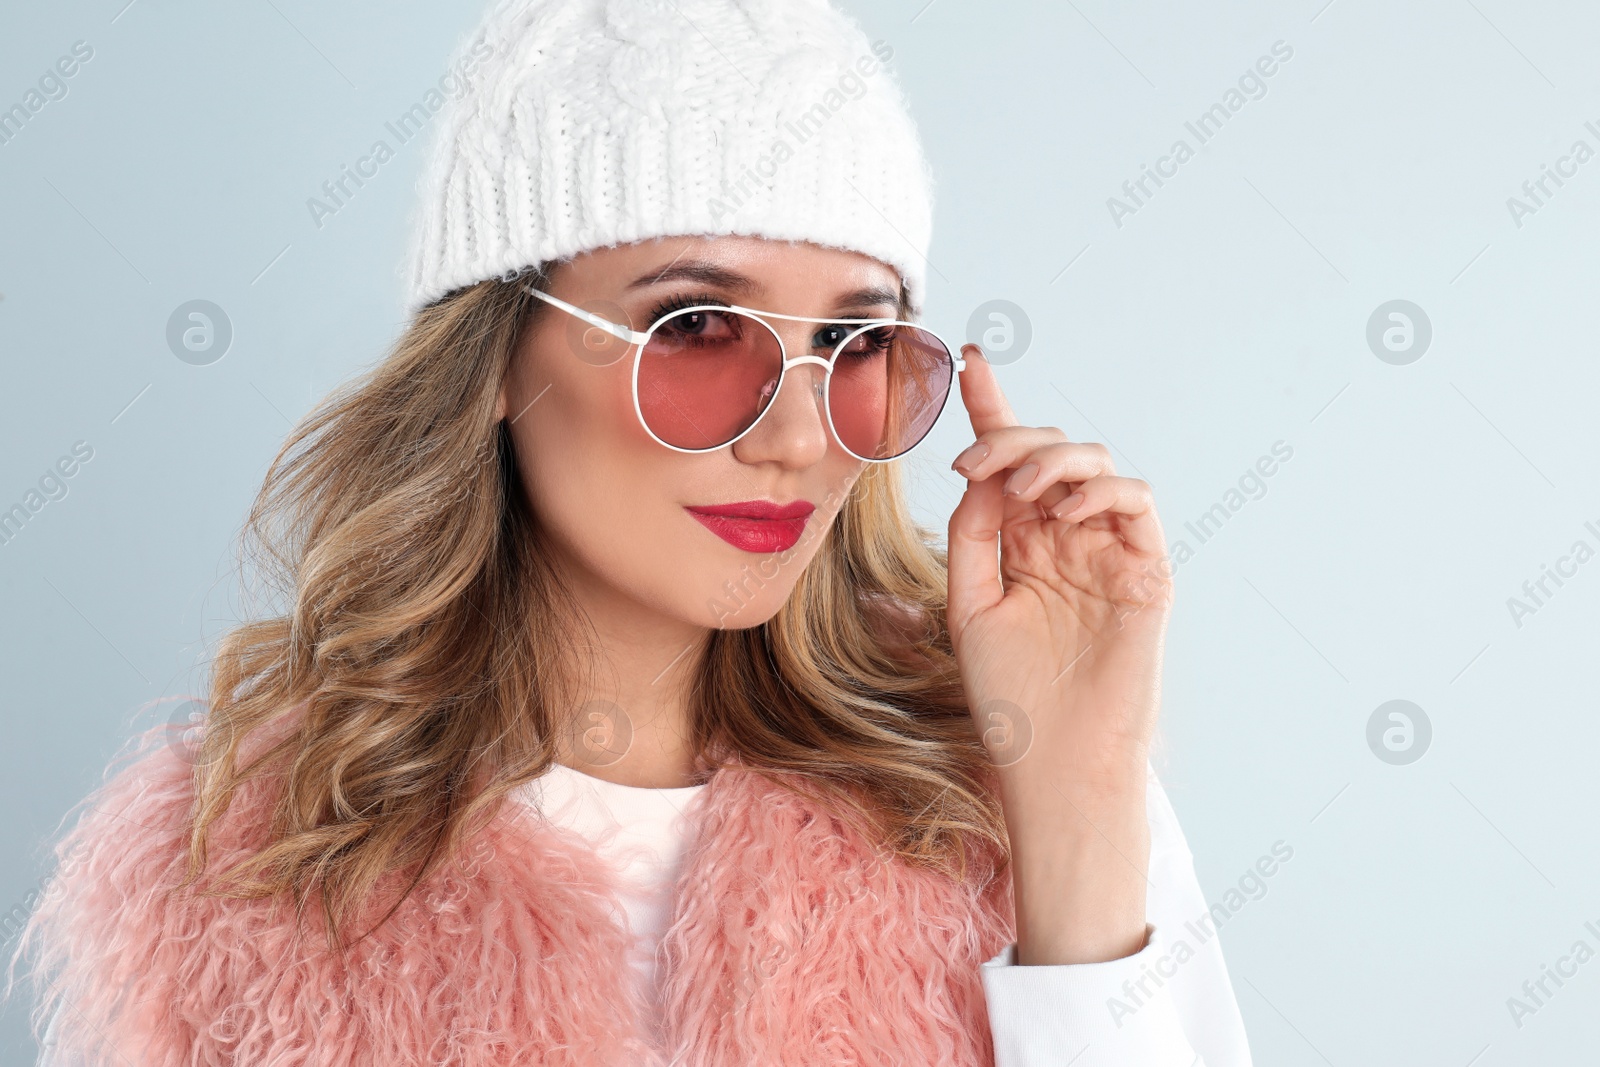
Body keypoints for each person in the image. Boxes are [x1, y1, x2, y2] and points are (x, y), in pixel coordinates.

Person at [12, 0, 1253, 1063]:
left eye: (852, 343)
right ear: (496, 356)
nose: (796, 434)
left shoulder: (998, 788)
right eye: (701, 329)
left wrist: (1077, 794)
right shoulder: (233, 875)